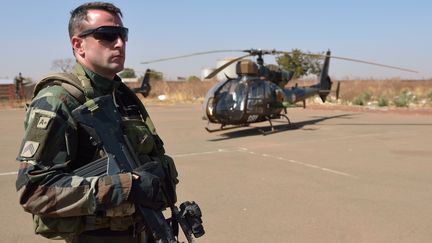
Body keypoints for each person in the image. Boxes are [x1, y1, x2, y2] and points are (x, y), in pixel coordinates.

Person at [15, 2, 179, 243]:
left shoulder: (122, 96)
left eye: (123, 35)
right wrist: (127, 187)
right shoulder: (58, 100)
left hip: (145, 230)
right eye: (107, 35)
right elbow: (33, 191)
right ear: (78, 44)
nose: (119, 43)